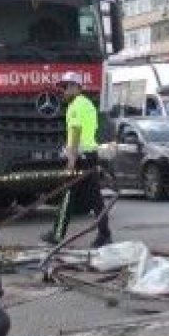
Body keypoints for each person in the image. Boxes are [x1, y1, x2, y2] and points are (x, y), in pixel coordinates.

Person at [41, 72, 110, 248]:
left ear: (77, 87)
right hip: (90, 155)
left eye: (67, 87)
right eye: (63, 87)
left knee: (68, 194)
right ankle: (104, 233)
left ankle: (57, 234)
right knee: (95, 197)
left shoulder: (75, 107)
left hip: (80, 157)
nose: (64, 90)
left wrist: (71, 160)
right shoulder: (87, 104)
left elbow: (76, 133)